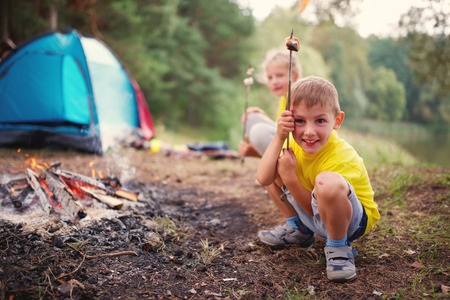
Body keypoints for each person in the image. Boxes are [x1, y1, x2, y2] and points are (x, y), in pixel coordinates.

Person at [256, 76, 380, 283]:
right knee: (273, 165)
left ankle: (338, 246)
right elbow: (263, 178)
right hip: (314, 215)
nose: (309, 132)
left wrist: (290, 178)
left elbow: (316, 210)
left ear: (337, 121)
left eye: (320, 121)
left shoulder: (342, 156)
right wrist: (278, 137)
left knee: (327, 183)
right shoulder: (292, 143)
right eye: (299, 121)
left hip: (349, 223)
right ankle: (300, 230)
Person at [239, 49, 301, 158]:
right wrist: (262, 115)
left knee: (259, 132)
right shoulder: (284, 98)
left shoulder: (299, 98)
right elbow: (281, 130)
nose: (274, 82)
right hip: (286, 144)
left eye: (280, 75)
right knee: (251, 118)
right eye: (270, 77)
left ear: (295, 76)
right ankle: (270, 160)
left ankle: (280, 167)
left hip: (298, 151)